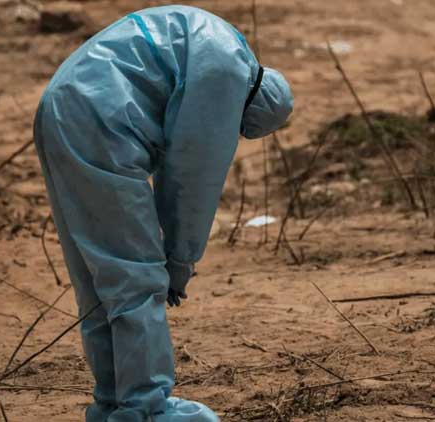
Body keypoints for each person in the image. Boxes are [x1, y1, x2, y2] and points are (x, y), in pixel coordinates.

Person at [33, 5, 293, 422]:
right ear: (247, 109)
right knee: (137, 278)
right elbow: (192, 175)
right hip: (104, 121)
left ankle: (114, 402)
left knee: (99, 277)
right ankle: (146, 407)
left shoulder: (219, 37)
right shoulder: (226, 71)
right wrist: (179, 258)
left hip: (61, 105)